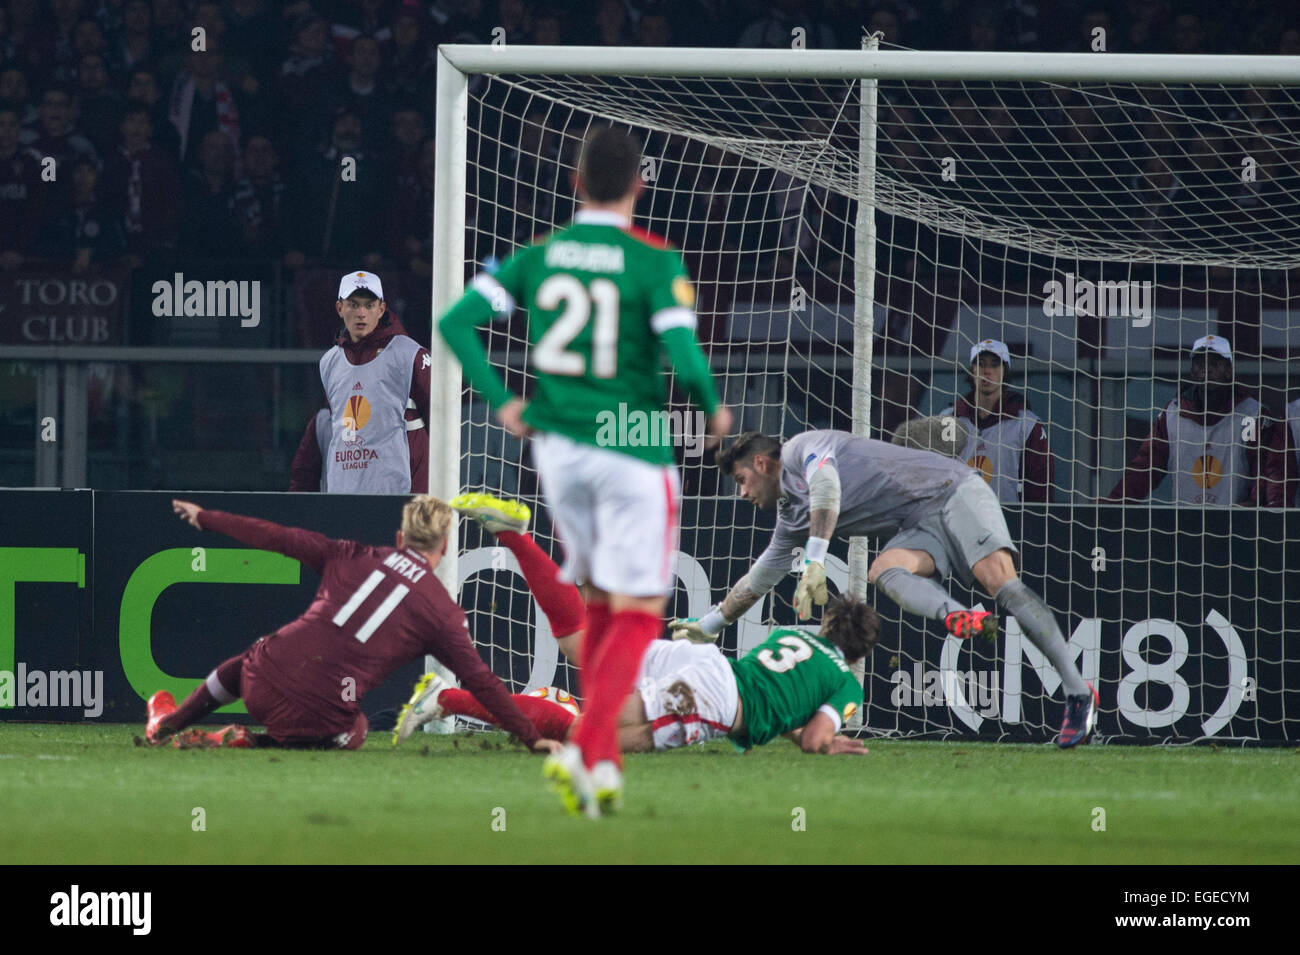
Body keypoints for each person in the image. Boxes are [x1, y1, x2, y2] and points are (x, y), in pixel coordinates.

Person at [438, 126, 732, 816]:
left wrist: (504, 398)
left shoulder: (537, 256)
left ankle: (598, 762)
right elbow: (685, 357)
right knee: (641, 610)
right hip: (631, 446)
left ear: (574, 183)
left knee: (598, 604)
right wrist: (713, 411)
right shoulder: (654, 258)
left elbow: (456, 321)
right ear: (639, 185)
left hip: (559, 451)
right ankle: (589, 741)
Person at [671, 429, 1098, 748]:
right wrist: (710, 624)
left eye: (742, 480)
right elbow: (761, 575)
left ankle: (1078, 692)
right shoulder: (790, 517)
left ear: (763, 464)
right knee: (885, 570)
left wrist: (816, 558)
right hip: (917, 523)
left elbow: (828, 488)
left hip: (952, 490)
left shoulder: (803, 447)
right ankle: (957, 615)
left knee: (999, 581)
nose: (742, 492)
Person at [393, 494, 870, 758]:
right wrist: (827, 742)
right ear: (857, 653)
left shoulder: (796, 637)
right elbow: (810, 738)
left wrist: (805, 726)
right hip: (713, 700)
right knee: (586, 737)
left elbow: (782, 704)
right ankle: (446, 700)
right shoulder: (847, 683)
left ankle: (516, 539)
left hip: (705, 666)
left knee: (579, 644)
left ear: (828, 627)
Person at [144, 495, 560, 755]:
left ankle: (169, 723)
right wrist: (531, 738)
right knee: (355, 730)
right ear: (446, 548)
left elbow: (277, 536)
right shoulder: (442, 613)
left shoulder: (349, 553)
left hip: (260, 682)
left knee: (247, 662)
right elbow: (483, 682)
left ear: (399, 538)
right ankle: (250, 741)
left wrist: (208, 517)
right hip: (320, 716)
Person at [1106, 336, 1284, 506]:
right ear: (1192, 371)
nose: (1207, 370)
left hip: (1235, 525)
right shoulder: (1173, 415)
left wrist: (1255, 504)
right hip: (1185, 524)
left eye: (1215, 363)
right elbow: (1145, 467)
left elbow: (1264, 468)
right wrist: (1112, 504)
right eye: (1200, 364)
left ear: (1229, 370)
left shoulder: (1252, 415)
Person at [309, 270, 430, 494]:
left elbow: (441, 424)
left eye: (369, 305)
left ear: (381, 309)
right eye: (353, 305)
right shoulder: (329, 362)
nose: (361, 313)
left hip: (398, 495)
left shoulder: (410, 355)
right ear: (339, 308)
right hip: (343, 494)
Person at [939, 339, 1054, 503]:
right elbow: (937, 476)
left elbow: (1040, 489)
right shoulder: (949, 419)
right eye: (980, 364)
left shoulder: (1026, 425)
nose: (987, 371)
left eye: (994, 365)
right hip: (960, 520)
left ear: (1005, 371)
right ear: (972, 370)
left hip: (1007, 522)